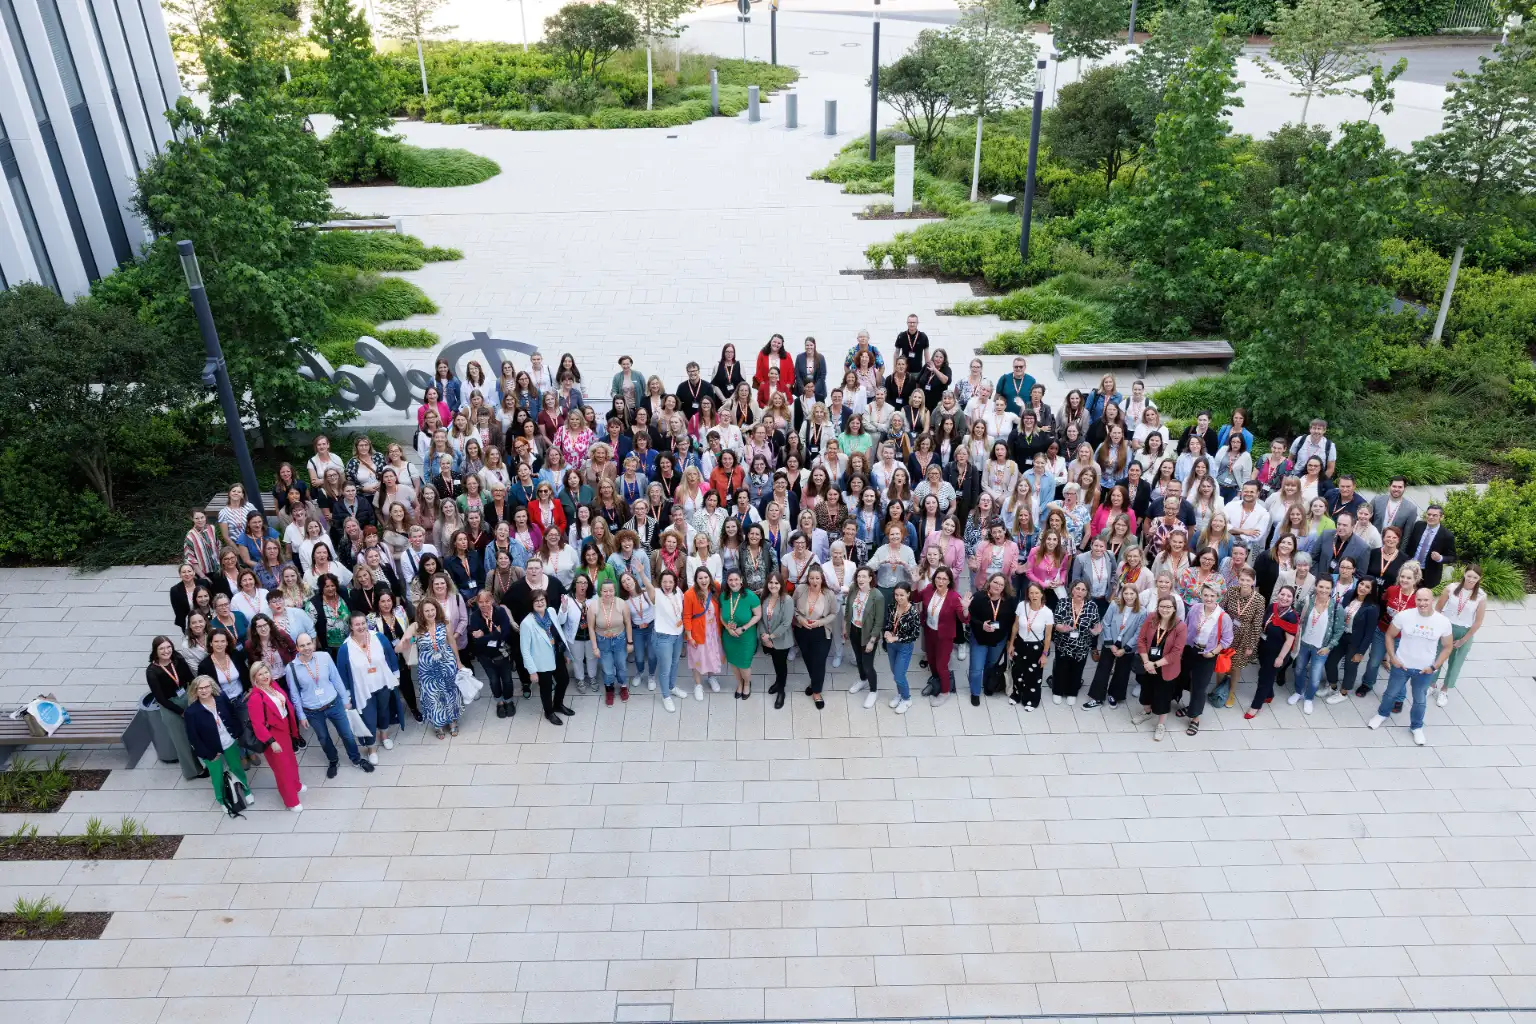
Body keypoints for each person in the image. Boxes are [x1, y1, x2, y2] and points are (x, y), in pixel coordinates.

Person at [1370, 587, 1453, 745]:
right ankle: (1382, 714)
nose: (1422, 603)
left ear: (1432, 600)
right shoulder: (1404, 616)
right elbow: (1389, 635)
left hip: (1425, 670)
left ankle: (1416, 727)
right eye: (1419, 600)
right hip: (1401, 665)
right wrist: (1393, 658)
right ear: (1415, 600)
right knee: (1390, 693)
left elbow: (1448, 647)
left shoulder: (1442, 622)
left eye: (1426, 600)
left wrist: (1434, 667)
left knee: (1420, 700)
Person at [284, 632, 373, 776]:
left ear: (313, 643)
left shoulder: (324, 657)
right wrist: (301, 715)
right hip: (312, 711)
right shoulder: (291, 668)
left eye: (309, 643)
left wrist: (345, 700)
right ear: (297, 648)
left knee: (347, 734)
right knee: (323, 738)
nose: (306, 648)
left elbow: (336, 679)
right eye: (302, 645)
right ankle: (333, 760)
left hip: (333, 704)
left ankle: (356, 759)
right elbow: (294, 695)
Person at [184, 675, 253, 810]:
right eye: (200, 688)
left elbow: (233, 715)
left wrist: (236, 733)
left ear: (212, 687)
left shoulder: (221, 698)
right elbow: (193, 737)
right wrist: (207, 753)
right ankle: (222, 800)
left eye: (207, 687)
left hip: (229, 741)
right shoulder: (191, 712)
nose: (204, 690)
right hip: (210, 749)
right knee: (217, 776)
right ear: (195, 690)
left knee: (236, 768)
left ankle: (246, 790)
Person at [246, 661, 304, 812]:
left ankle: (296, 785)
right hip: (273, 735)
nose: (265, 676)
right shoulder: (255, 697)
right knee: (282, 769)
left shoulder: (273, 685)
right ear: (254, 678)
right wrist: (271, 741)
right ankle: (291, 801)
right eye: (260, 674)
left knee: (291, 761)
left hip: (284, 730)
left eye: (266, 672)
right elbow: (258, 725)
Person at [145, 636, 206, 780]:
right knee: (182, 741)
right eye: (161, 648)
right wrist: (181, 712)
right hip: (169, 705)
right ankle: (194, 771)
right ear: (155, 651)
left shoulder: (177, 659)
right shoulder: (152, 672)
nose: (166, 651)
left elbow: (190, 678)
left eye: (168, 647)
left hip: (186, 695)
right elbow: (160, 699)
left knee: (201, 730)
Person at [1285, 578, 1345, 715]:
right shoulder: (1307, 601)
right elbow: (1296, 614)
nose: (1324, 590)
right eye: (1321, 586)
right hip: (1304, 643)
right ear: (1316, 586)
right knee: (1299, 669)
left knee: (1315, 676)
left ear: (1332, 589)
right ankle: (1299, 692)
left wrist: (1329, 647)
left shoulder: (1336, 607)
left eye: (1327, 588)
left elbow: (1339, 630)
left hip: (1321, 648)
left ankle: (1309, 698)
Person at [1133, 595, 1186, 740]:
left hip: (1166, 668)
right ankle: (1146, 712)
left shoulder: (1180, 626)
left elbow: (1176, 653)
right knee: (1146, 691)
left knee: (1163, 696)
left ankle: (1161, 724)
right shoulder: (1151, 618)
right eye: (1162, 606)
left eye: (1168, 607)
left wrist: (1154, 664)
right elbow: (1141, 640)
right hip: (1147, 664)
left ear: (1174, 609)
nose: (1165, 609)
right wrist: (1146, 662)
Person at [1432, 565, 1486, 708]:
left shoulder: (1481, 596)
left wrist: (1463, 640)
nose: (1471, 579)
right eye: (1469, 576)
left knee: (1455, 662)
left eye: (1475, 577)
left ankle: (1444, 690)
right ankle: (1431, 684)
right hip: (1446, 628)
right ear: (1464, 574)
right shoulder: (1451, 588)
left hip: (1464, 631)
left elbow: (1478, 621)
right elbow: (1438, 609)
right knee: (1437, 656)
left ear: (1479, 578)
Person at [520, 590, 575, 726]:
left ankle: (558, 704)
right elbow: (525, 650)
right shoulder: (527, 623)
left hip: (556, 655)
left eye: (542, 600)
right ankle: (549, 712)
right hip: (541, 662)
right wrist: (532, 671)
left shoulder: (550, 611)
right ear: (531, 603)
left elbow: (559, 625)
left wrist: (563, 608)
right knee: (546, 689)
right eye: (536, 601)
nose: (540, 603)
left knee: (564, 680)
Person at [1086, 584, 1144, 709]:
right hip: (1111, 641)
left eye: (1132, 594)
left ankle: (1114, 695)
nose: (1128, 597)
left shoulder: (1142, 612)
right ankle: (1097, 697)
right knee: (1103, 668)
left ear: (1136, 595)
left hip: (1127, 645)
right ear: (1122, 594)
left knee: (1122, 671)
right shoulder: (1114, 605)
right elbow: (1106, 623)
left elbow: (1138, 633)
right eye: (1126, 593)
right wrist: (1110, 644)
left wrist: (1125, 649)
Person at [1247, 585, 1299, 720]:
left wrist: (1280, 657)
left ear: (1293, 599)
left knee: (1264, 678)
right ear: (1278, 594)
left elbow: (1289, 641)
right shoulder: (1272, 607)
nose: (1284, 598)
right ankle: (1269, 695)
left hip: (1277, 653)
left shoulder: (1292, 617)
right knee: (1265, 674)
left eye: (1289, 596)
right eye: (1282, 594)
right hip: (1264, 648)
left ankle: (1255, 706)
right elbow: (1263, 624)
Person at [468, 589, 518, 720]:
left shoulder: (500, 612)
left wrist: (484, 635)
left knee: (507, 680)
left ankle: (508, 701)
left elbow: (505, 633)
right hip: (485, 656)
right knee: (494, 680)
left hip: (502, 653)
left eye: (487, 601)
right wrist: (495, 633)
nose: (484, 604)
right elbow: (477, 641)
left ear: (492, 600)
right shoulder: (475, 616)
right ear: (477, 602)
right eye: (481, 602)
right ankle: (500, 702)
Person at [1050, 580, 1101, 706]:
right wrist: (1062, 628)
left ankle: (1072, 693)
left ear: (1087, 593)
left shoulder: (1092, 606)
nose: (1080, 592)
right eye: (1077, 588)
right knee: (1060, 668)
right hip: (1063, 643)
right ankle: (1057, 691)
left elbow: (1096, 624)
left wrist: (1096, 631)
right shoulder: (1063, 603)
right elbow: (1056, 623)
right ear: (1072, 589)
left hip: (1082, 644)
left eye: (1083, 590)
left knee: (1077, 669)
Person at [794, 564, 838, 708]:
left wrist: (819, 622)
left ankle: (817, 692)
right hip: (802, 630)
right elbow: (792, 607)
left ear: (822, 579)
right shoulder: (800, 589)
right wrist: (800, 619)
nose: (814, 581)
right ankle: (814, 683)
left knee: (819, 662)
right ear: (808, 578)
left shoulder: (829, 594)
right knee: (808, 660)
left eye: (817, 578)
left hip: (821, 631)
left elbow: (833, 613)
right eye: (811, 578)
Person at [966, 573, 1015, 705]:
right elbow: (970, 618)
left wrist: (1010, 641)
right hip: (979, 638)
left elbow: (1012, 622)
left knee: (991, 664)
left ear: (1004, 587)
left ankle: (988, 685)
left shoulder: (1009, 601)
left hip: (998, 640)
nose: (997, 586)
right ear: (989, 582)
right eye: (995, 582)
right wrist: (981, 625)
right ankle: (975, 692)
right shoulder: (978, 597)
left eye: (1001, 584)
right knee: (976, 668)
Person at [843, 566, 886, 709]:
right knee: (859, 660)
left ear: (870, 578)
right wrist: (845, 626)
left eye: (863, 576)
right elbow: (848, 609)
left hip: (868, 634)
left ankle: (873, 691)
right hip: (854, 630)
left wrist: (872, 641)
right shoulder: (853, 589)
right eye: (858, 576)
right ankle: (862, 680)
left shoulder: (877, 596)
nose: (860, 579)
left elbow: (879, 621)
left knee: (868, 665)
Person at [1008, 582, 1052, 711]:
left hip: (1035, 647)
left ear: (1042, 594)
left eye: (1036, 593)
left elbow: (1048, 636)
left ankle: (1031, 700)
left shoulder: (1047, 612)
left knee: (1033, 675)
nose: (1034, 596)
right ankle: (1016, 694)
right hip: (1020, 643)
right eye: (1031, 593)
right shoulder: (1022, 606)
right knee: (1017, 671)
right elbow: (1015, 625)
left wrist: (1044, 654)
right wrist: (1011, 644)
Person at [719, 570, 762, 699]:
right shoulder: (724, 596)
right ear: (727, 581)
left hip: (746, 637)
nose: (733, 583)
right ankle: (739, 683)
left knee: (744, 664)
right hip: (729, 636)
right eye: (730, 580)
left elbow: (758, 615)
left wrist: (743, 628)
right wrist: (727, 628)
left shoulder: (750, 596)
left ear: (741, 580)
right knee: (733, 662)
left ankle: (747, 684)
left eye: (736, 579)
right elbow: (721, 615)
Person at [683, 567, 724, 700]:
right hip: (698, 632)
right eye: (700, 578)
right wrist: (689, 636)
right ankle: (698, 684)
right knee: (697, 658)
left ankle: (711, 677)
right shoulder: (689, 594)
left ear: (710, 578)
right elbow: (686, 616)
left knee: (712, 654)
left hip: (713, 630)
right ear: (696, 580)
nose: (704, 580)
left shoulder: (715, 588)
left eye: (706, 577)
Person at [882, 583, 921, 714]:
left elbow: (915, 634)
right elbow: (888, 623)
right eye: (896, 595)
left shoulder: (913, 612)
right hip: (891, 645)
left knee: (899, 675)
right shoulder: (892, 606)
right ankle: (900, 694)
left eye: (902, 595)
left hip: (904, 646)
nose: (898, 598)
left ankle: (906, 698)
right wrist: (886, 632)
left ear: (908, 594)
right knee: (895, 672)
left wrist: (896, 638)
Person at [1404, 505, 1455, 588]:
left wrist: (1440, 558)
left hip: (1427, 573)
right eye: (1429, 514)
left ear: (1441, 517)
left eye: (1435, 515)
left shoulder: (1447, 535)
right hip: (1409, 567)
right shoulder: (1418, 525)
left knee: (1420, 594)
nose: (1431, 517)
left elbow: (1452, 557)